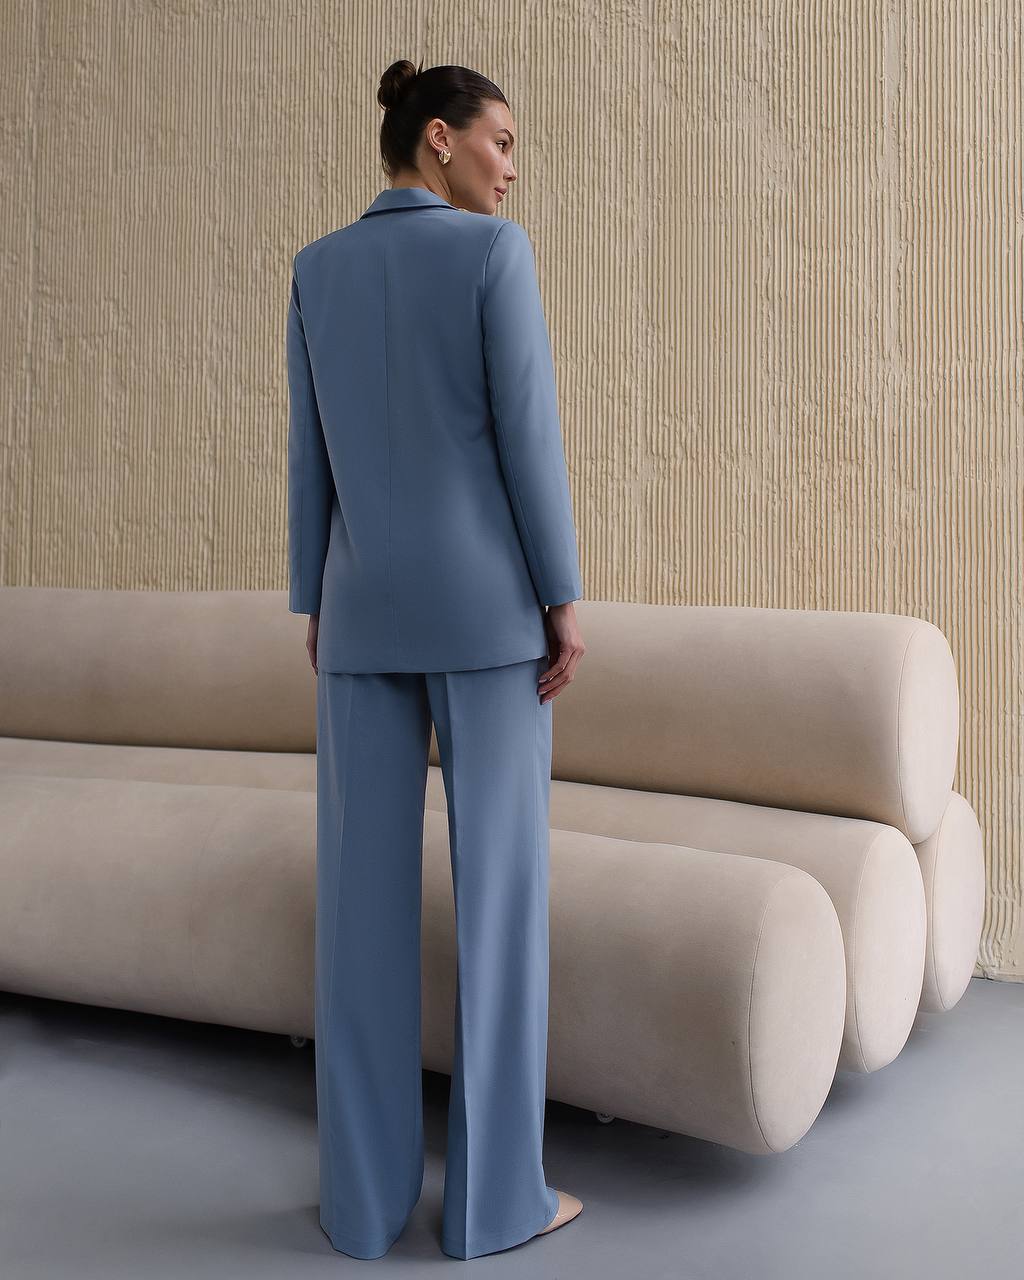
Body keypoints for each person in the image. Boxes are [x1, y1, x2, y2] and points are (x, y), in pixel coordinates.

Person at [287, 58, 585, 1261]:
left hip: (358, 620)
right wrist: (562, 598)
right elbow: (529, 437)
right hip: (486, 621)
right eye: (500, 142)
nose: (511, 166)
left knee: (356, 918)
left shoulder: (316, 267)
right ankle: (496, 1203)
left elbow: (309, 458)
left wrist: (315, 597)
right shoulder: (490, 258)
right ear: (437, 142)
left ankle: (358, 1205)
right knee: (499, 909)